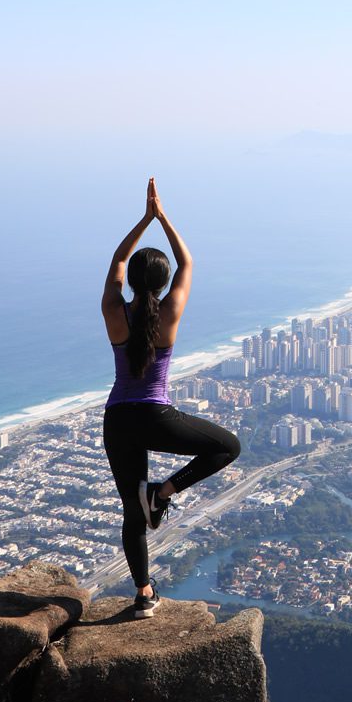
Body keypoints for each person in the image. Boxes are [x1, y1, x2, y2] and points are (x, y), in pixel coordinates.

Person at [102, 178, 240, 618]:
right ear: (162, 284)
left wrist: (143, 220)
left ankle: (144, 594)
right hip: (155, 415)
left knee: (130, 511)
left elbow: (119, 258)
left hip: (117, 420)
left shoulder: (113, 311)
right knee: (228, 447)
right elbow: (187, 261)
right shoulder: (170, 312)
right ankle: (162, 493)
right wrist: (163, 217)